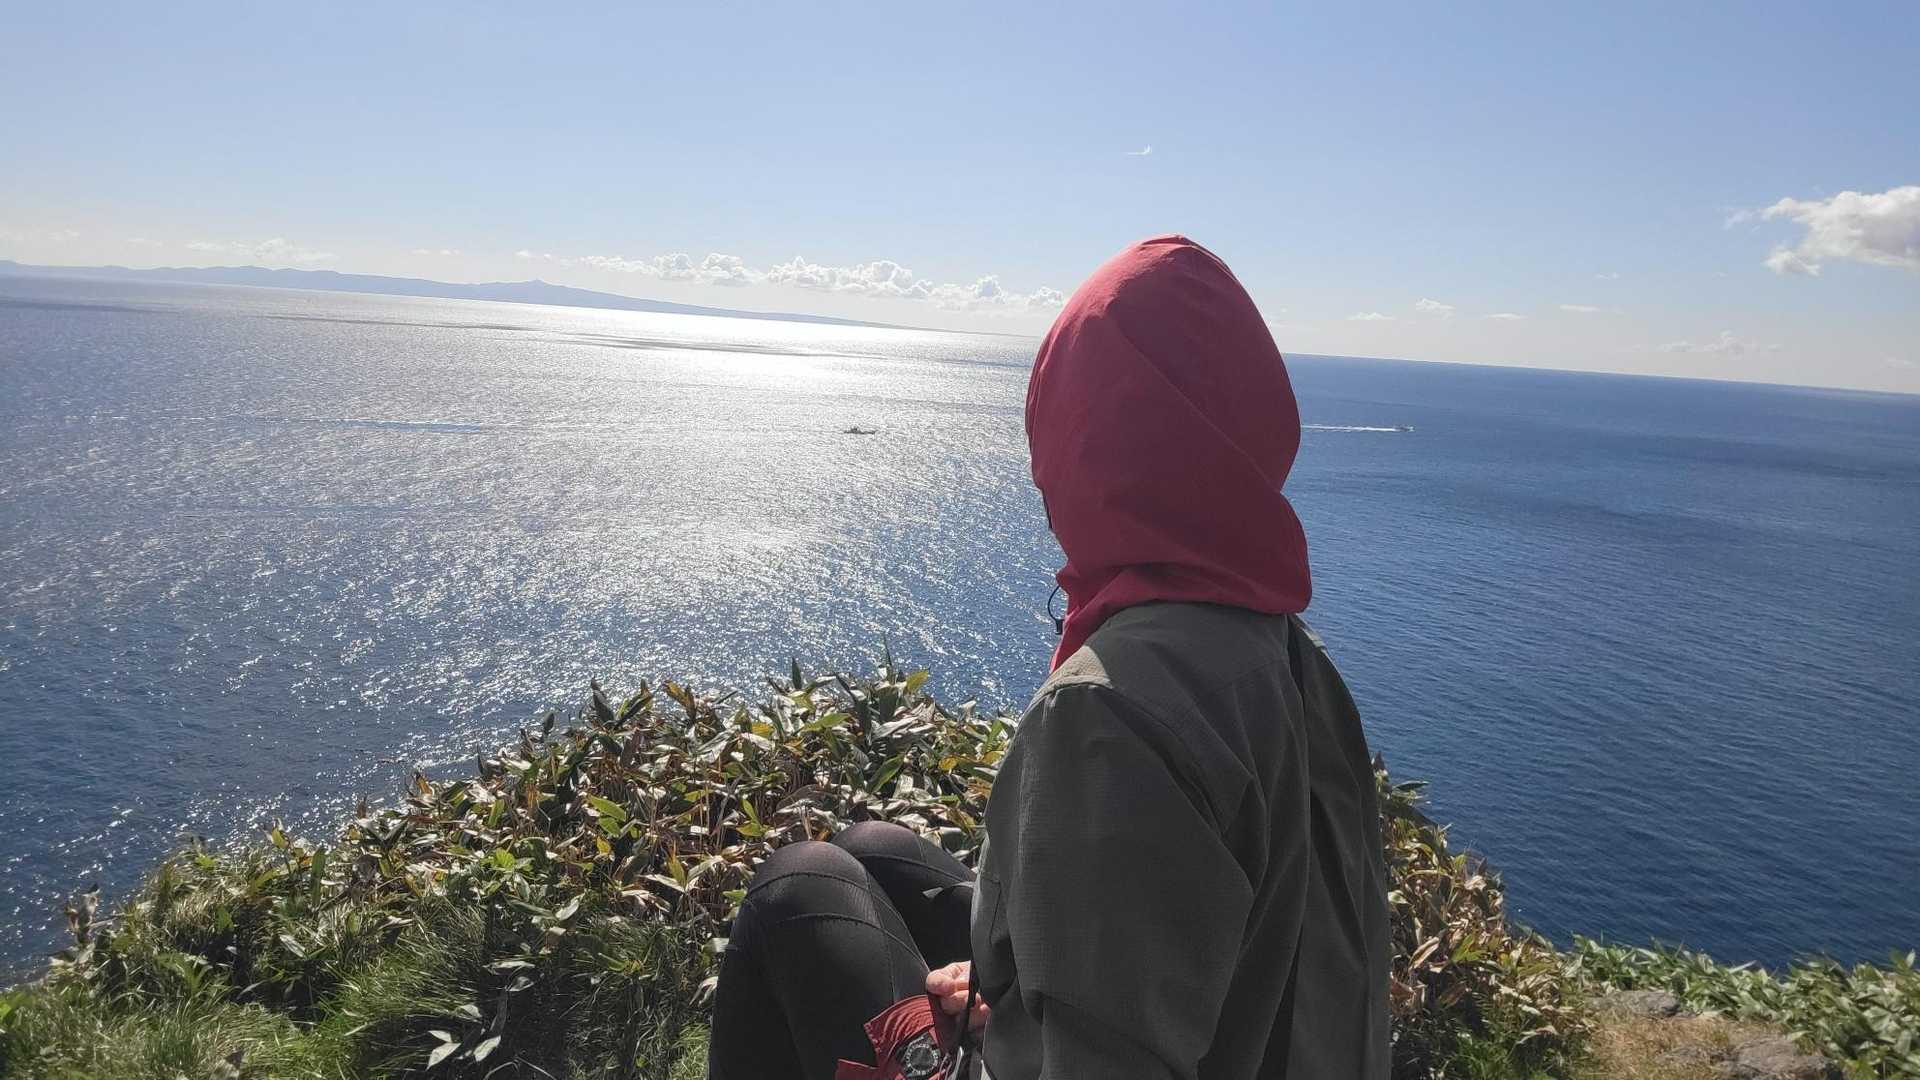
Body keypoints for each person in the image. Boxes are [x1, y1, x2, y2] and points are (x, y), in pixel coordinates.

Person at [708, 235, 1390, 1079]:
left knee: (796, 884)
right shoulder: (1291, 654)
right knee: (874, 847)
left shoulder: (1114, 709)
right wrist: (1016, 1003)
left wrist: (997, 1041)